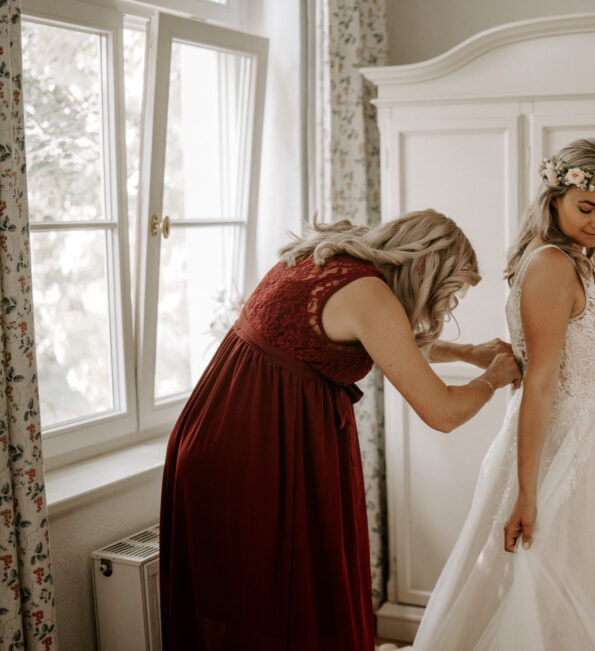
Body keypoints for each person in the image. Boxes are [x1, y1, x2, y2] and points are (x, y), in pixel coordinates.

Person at [159, 210, 521, 651]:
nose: (446, 305)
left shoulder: (326, 256)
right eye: (450, 292)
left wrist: (467, 352)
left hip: (221, 432)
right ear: (425, 267)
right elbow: (441, 412)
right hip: (256, 451)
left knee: (249, 602)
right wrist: (494, 378)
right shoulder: (369, 294)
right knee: (272, 600)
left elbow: (388, 343)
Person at [412, 139, 595, 650]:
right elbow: (539, 380)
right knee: (539, 580)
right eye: (586, 207)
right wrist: (527, 490)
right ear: (554, 198)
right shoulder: (552, 265)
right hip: (554, 443)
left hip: (586, 440)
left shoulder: (569, 261)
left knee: (575, 580)